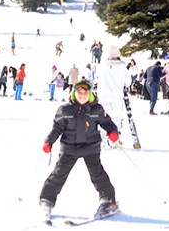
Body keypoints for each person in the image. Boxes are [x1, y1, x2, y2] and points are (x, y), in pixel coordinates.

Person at [39, 79, 120, 222]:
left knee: (98, 175)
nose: (82, 95)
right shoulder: (65, 110)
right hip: (70, 148)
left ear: (89, 94)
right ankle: (47, 199)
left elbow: (107, 123)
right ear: (74, 93)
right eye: (79, 92)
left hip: (91, 147)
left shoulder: (97, 109)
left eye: (85, 92)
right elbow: (57, 128)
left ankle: (108, 201)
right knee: (59, 174)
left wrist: (112, 132)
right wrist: (49, 141)